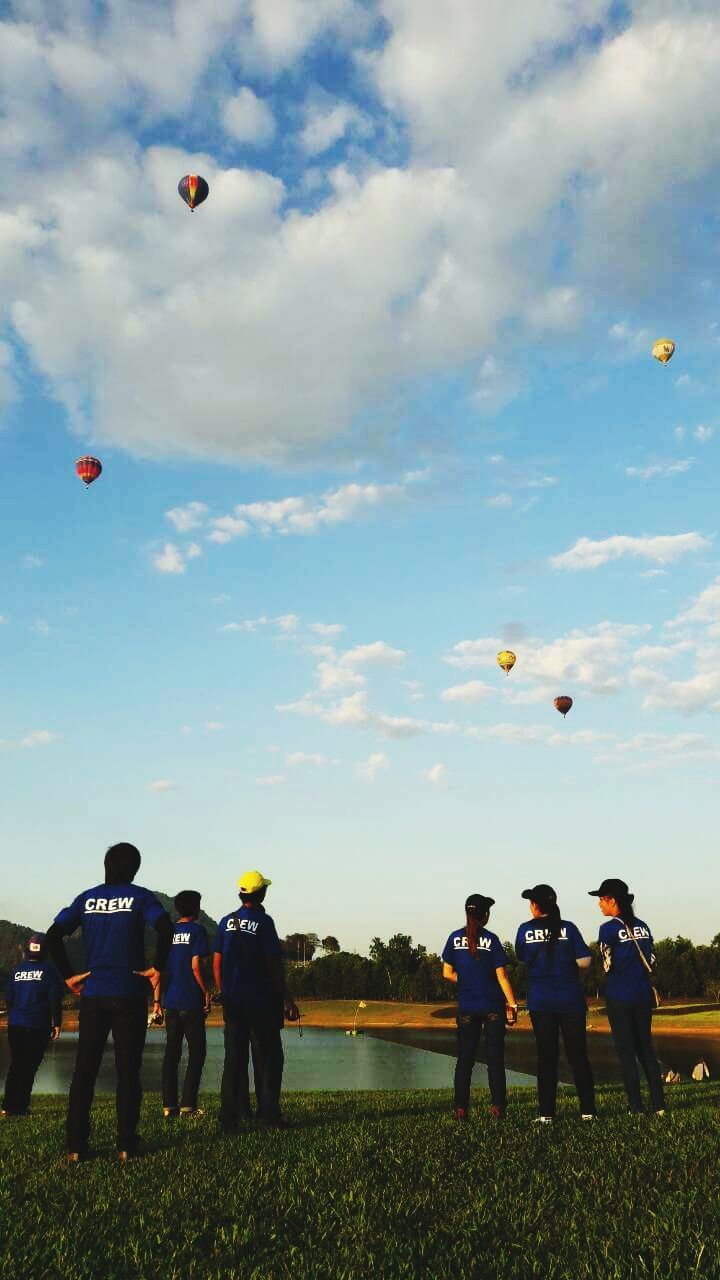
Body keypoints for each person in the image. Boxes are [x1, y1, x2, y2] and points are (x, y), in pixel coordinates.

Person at [46, 842, 172, 1162]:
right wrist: (157, 967)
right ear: (134, 868)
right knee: (128, 1072)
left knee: (84, 1073)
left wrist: (68, 975)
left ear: (106, 865)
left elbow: (52, 935)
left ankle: (76, 1147)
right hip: (129, 994)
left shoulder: (86, 898)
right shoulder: (141, 897)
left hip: (93, 996)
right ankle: (126, 1145)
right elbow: (165, 927)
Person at [213, 870, 299, 1132]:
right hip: (261, 1002)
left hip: (233, 1003)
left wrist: (223, 990)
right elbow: (274, 965)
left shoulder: (226, 922)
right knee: (270, 1058)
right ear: (261, 893)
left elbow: (217, 962)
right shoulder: (264, 922)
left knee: (233, 1060)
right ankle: (269, 1117)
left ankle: (230, 1119)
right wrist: (288, 1000)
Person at [515, 884, 596, 1124]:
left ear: (537, 906)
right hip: (571, 1000)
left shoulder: (525, 930)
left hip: (541, 1002)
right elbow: (585, 961)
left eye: (531, 902)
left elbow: (522, 957)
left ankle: (547, 1114)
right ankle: (588, 1112)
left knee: (546, 1057)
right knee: (578, 1056)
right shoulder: (568, 929)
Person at [589, 877, 666, 1116]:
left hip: (619, 995)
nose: (599, 905)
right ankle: (660, 1105)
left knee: (626, 1052)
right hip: (643, 995)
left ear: (612, 901)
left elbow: (607, 964)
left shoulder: (608, 928)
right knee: (646, 1051)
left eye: (601, 900)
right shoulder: (643, 926)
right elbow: (652, 959)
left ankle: (636, 1107)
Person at [441, 893, 518, 1121]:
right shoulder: (491, 940)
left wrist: (466, 979)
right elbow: (502, 977)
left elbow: (447, 973)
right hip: (493, 1005)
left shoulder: (454, 938)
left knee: (465, 1060)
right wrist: (512, 1005)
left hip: (467, 1007)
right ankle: (497, 1108)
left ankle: (461, 1109)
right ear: (485, 915)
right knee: (495, 1059)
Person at [159, 890, 210, 1119]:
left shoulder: (167, 932)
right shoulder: (198, 931)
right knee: (197, 1052)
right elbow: (196, 965)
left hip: (170, 1000)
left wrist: (157, 1002)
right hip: (191, 1001)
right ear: (196, 908)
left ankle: (169, 1107)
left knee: (172, 1053)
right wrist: (206, 992)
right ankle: (188, 1106)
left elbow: (159, 970)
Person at [1, 934, 63, 1117]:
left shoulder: (17, 971)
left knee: (16, 1065)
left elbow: (9, 999)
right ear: (45, 952)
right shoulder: (49, 972)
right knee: (29, 1067)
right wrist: (57, 1024)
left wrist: (15, 1016)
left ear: (28, 951)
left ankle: (8, 1106)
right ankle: (20, 1107)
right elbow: (55, 1000)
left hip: (16, 1026)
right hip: (38, 1026)